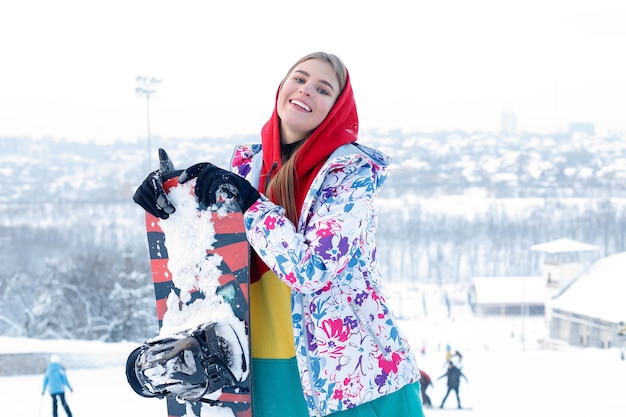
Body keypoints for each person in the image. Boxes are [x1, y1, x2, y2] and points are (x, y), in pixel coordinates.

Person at [134, 51, 424, 417]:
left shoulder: (349, 181)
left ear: (336, 108)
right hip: (260, 369)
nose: (305, 91)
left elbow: (311, 270)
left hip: (346, 377)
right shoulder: (249, 169)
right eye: (299, 79)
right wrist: (171, 200)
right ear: (283, 86)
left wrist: (249, 202)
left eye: (323, 89)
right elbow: (217, 262)